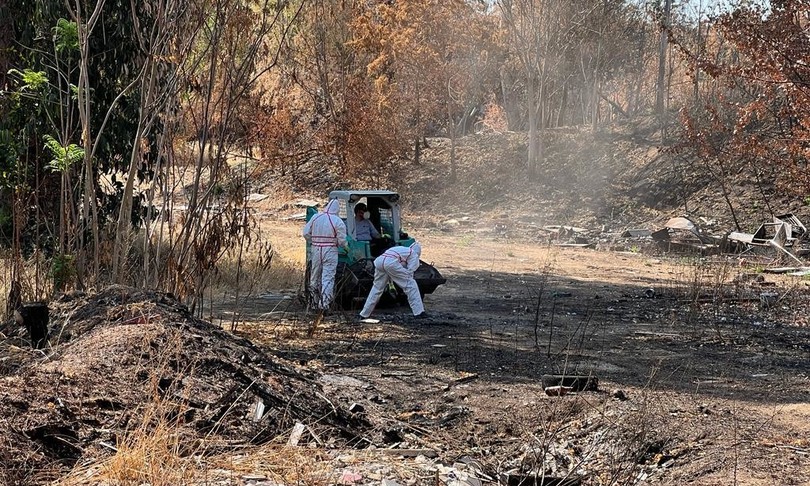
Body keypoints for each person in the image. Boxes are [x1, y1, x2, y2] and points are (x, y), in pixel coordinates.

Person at [358, 241, 427, 319]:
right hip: (390, 263)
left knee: (377, 288)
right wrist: (405, 277)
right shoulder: (413, 254)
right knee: (411, 285)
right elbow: (410, 270)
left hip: (379, 261)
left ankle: (364, 314)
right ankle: (419, 312)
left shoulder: (401, 249)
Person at [303, 199, 348, 310]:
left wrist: (313, 241)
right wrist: (345, 247)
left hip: (316, 249)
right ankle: (324, 305)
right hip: (331, 250)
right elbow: (342, 240)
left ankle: (313, 303)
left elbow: (305, 233)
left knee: (315, 276)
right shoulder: (338, 221)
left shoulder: (315, 217)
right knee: (328, 277)